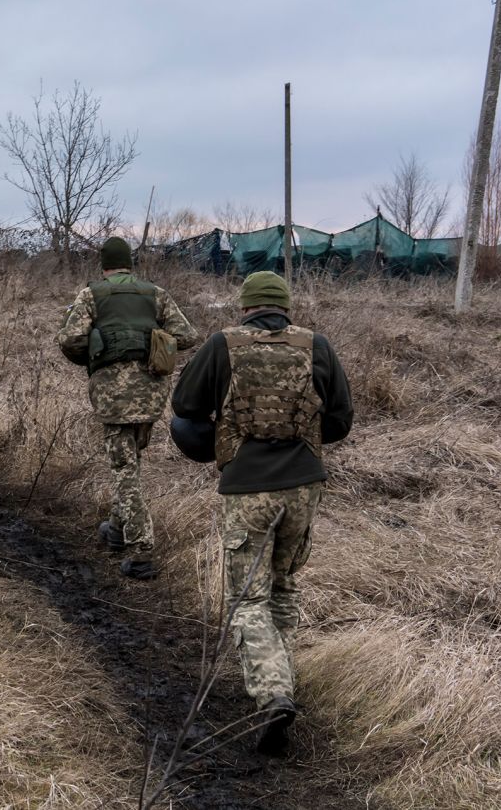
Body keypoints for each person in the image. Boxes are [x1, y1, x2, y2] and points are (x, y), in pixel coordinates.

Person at [169, 270, 353, 756]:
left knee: (247, 598)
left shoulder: (223, 344)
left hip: (248, 486)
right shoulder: (317, 345)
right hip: (304, 485)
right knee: (284, 584)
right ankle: (282, 678)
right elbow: (339, 421)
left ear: (246, 306)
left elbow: (184, 406)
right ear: (286, 307)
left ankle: (274, 694)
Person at [56, 237, 198, 580]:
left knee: (124, 467)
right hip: (151, 392)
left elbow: (70, 339)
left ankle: (142, 551)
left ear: (103, 264)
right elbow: (187, 335)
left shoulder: (92, 294)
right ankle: (117, 529)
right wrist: (150, 346)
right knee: (130, 460)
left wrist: (97, 358)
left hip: (112, 394)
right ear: (129, 263)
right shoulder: (155, 293)